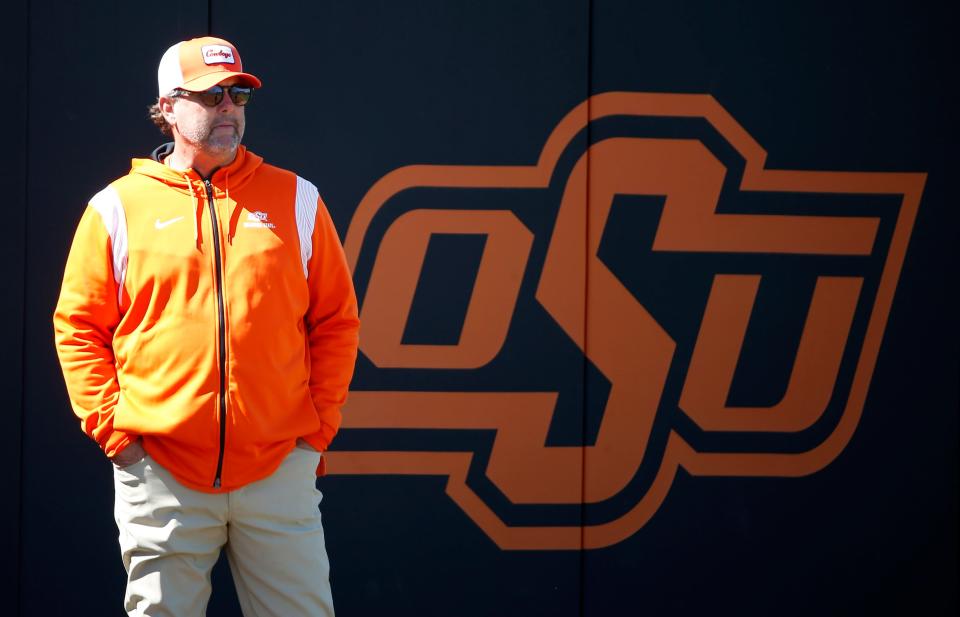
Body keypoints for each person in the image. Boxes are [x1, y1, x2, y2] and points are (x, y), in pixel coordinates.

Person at [53, 35, 359, 616]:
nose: (228, 108)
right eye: (210, 95)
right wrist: (119, 437)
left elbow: (336, 321)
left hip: (277, 468)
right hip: (162, 473)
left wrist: (313, 433)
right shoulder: (115, 208)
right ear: (167, 106)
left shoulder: (296, 199)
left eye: (238, 95)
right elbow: (78, 326)